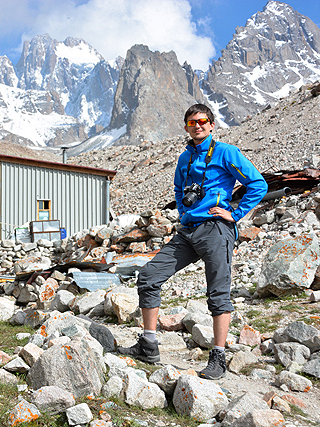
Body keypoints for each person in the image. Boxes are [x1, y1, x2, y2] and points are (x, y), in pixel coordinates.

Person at [118, 104, 267, 380]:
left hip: (215, 229)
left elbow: (258, 184)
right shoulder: (184, 157)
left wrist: (234, 214)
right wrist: (184, 211)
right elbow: (178, 188)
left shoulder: (226, 152)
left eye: (201, 121)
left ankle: (218, 358)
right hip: (187, 230)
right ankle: (149, 345)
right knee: (149, 277)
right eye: (191, 122)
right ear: (186, 127)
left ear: (211, 125)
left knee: (217, 294)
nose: (196, 126)